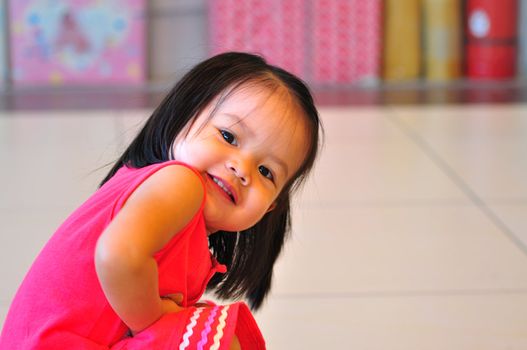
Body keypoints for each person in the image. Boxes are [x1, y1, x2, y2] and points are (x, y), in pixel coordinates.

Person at [0, 52, 321, 350]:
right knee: (225, 337)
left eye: (266, 172)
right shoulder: (180, 183)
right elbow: (117, 255)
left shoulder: (175, 204)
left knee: (210, 328)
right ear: (184, 116)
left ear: (271, 207)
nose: (242, 169)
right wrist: (153, 319)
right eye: (228, 136)